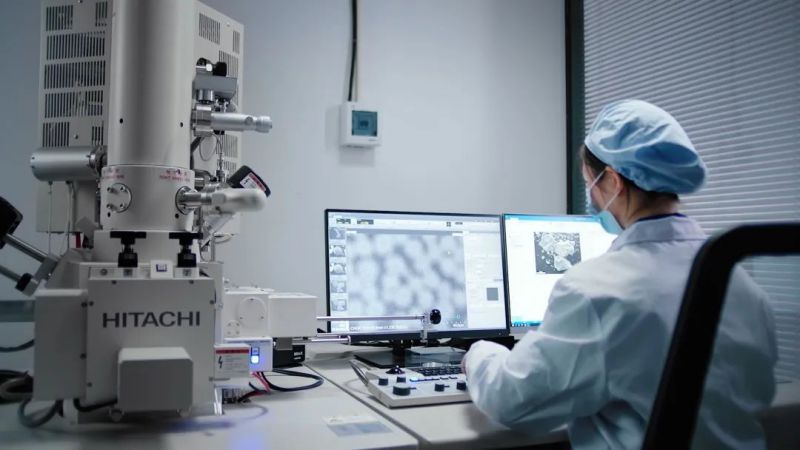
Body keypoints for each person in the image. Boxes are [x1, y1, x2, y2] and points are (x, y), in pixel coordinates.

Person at [462, 99, 777, 449]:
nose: (592, 197)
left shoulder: (596, 290)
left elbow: (512, 400)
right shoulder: (741, 284)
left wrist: (479, 354)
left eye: (590, 182)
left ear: (613, 181)